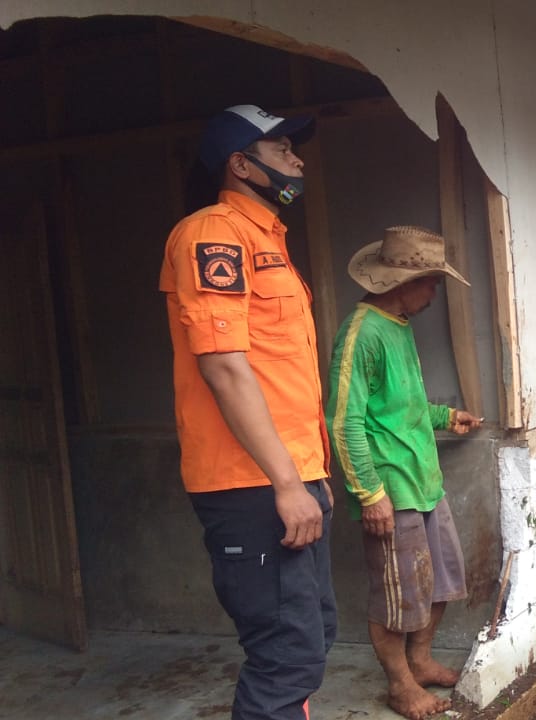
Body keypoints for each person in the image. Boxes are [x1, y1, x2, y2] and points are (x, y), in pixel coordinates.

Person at [158, 104, 336, 720]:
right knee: (285, 657)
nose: (297, 159)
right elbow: (224, 366)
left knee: (309, 645)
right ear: (240, 163)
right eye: (282, 148)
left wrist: (309, 481)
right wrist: (288, 484)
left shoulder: (267, 240)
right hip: (256, 484)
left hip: (293, 476)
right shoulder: (213, 234)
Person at [327, 226, 484, 720]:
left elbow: (402, 406)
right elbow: (344, 418)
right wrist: (369, 492)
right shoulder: (361, 332)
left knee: (439, 582)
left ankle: (419, 661)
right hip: (392, 488)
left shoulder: (397, 326)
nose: (434, 294)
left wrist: (445, 417)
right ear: (401, 281)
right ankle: (400, 685)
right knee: (397, 600)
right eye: (431, 283)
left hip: (425, 483)